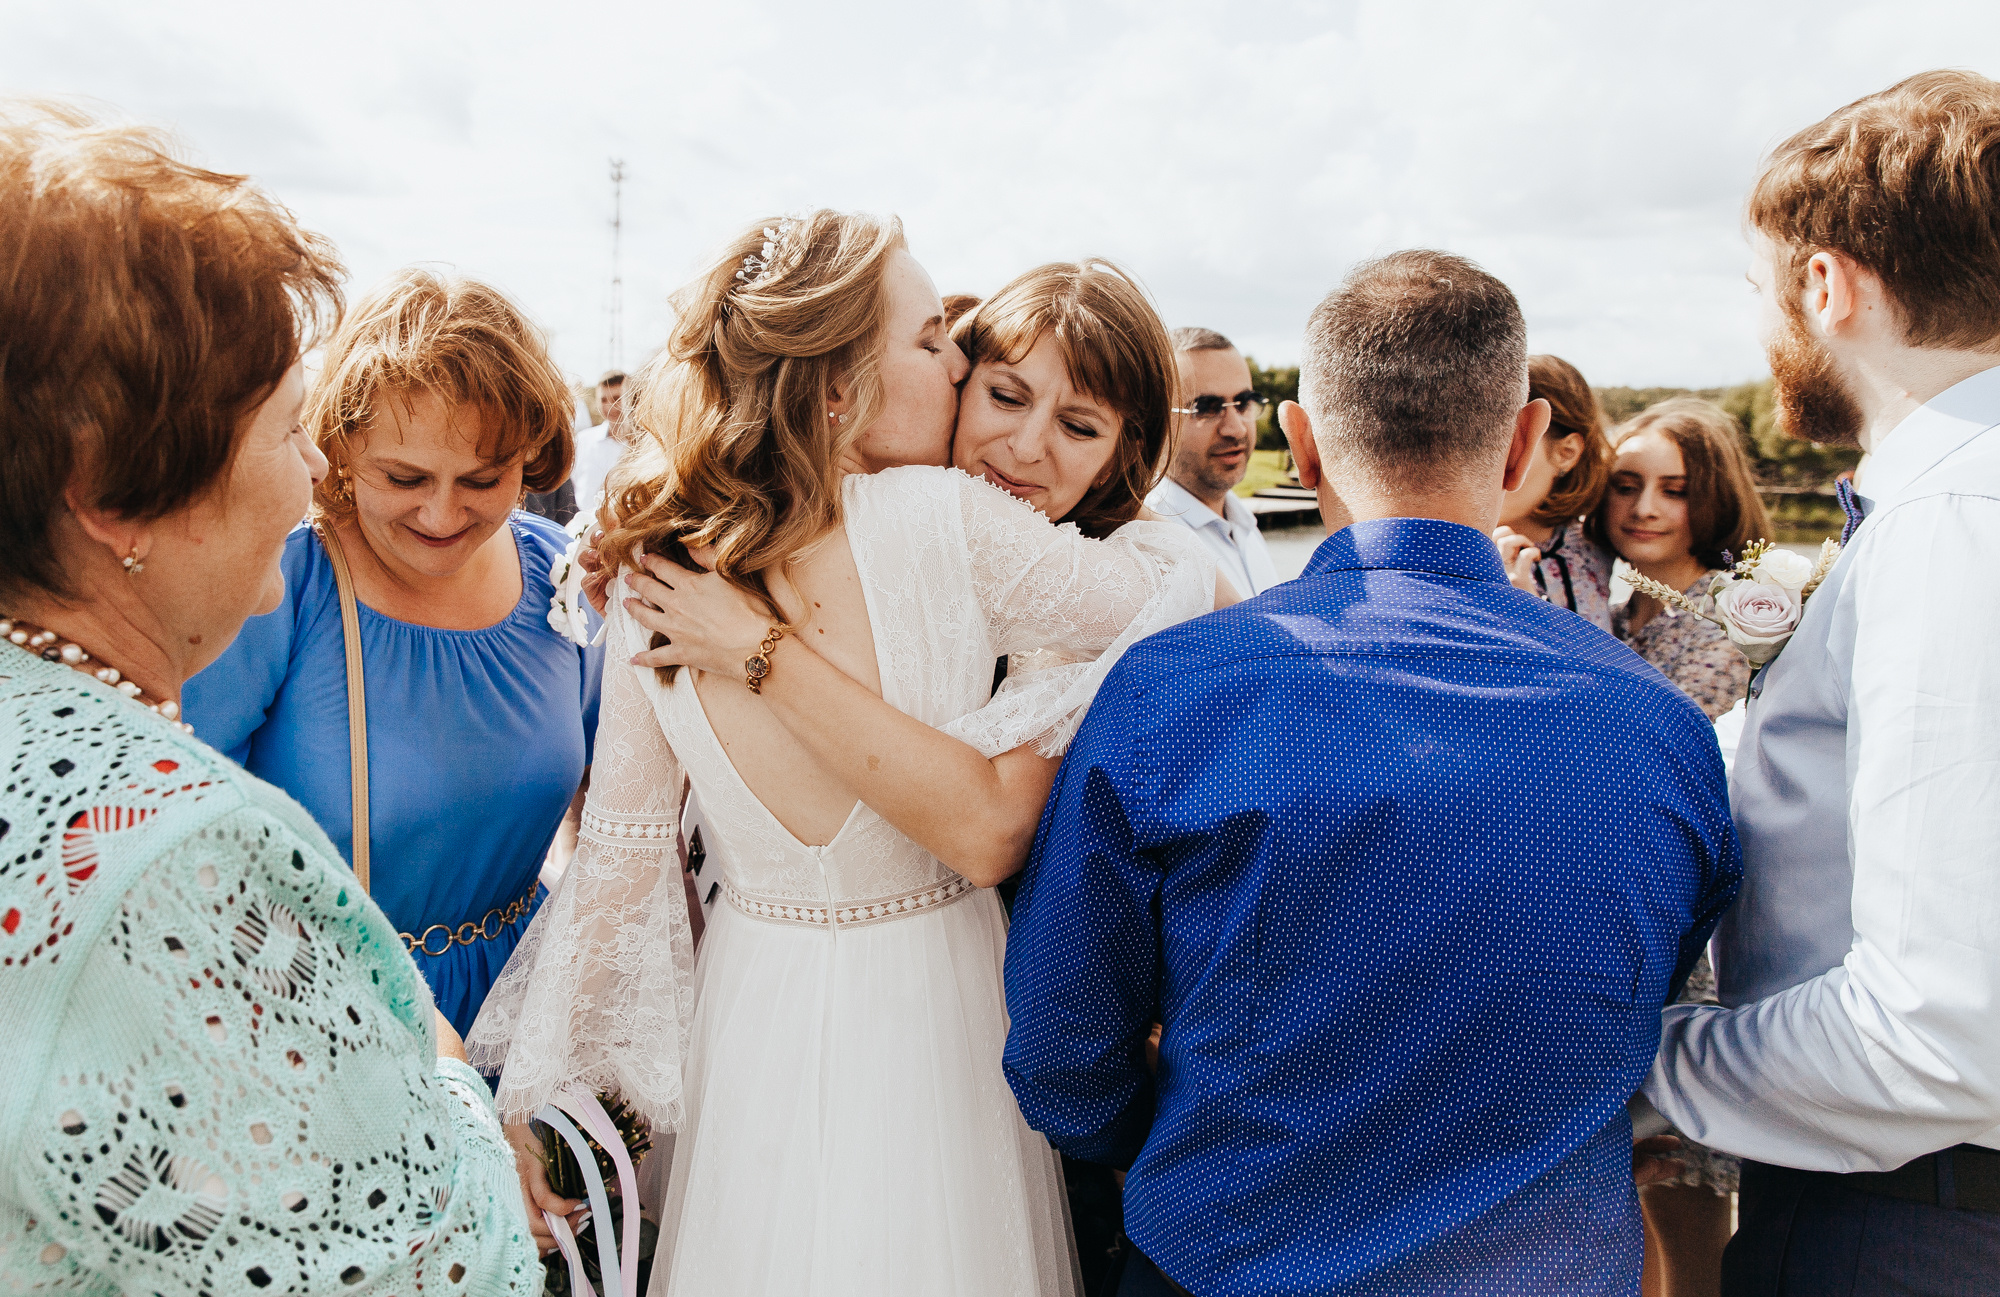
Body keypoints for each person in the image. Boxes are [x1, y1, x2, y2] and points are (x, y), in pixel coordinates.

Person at [469, 212, 1218, 1297]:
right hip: (934, 997)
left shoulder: (656, 554)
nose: (957, 363)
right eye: (932, 346)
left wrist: (547, 1091)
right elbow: (1175, 594)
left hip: (750, 996)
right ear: (834, 389)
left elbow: (622, 852)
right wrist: (1156, 531)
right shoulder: (947, 519)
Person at [1003, 250, 1741, 1296]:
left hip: (1233, 1260)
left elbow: (1061, 1051)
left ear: (1299, 444)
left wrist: (1163, 1139)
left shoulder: (1172, 691)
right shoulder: (1663, 729)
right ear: (1524, 440)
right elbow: (1651, 982)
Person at [0, 101, 534, 1291]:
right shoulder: (186, 855)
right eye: (291, 426)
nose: (311, 472)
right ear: (111, 492)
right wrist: (445, 1081)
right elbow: (439, 1265)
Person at [1643, 70, 2000, 1293]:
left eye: (1756, 286)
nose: (1758, 322)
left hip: (1919, 1223)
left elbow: (1942, 1030)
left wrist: (1639, 1070)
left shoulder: (1958, 515)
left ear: (1823, 283)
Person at [183, 269, 601, 1046]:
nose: (443, 513)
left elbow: (604, 802)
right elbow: (192, 840)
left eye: (485, 479)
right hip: (326, 1014)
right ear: (336, 445)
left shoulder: (562, 575)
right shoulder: (284, 584)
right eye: (403, 477)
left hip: (528, 1012)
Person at [1598, 399, 1765, 720]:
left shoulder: (1734, 628)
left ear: (1718, 500)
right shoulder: (1604, 616)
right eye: (1626, 487)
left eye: (1674, 491)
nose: (1644, 509)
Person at [1144, 327, 1280, 598]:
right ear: (1153, 420)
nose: (1236, 429)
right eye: (1205, 408)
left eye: (1242, 403)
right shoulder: (1148, 546)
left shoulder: (1245, 526)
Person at [1493, 354, 1617, 630]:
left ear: (1566, 452)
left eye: (1502, 446)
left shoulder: (1602, 542)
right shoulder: (1451, 552)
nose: (1480, 467)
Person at [569, 369, 631, 518]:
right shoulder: (583, 441)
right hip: (582, 527)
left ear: (629, 399)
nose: (610, 406)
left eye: (617, 399)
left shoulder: (641, 445)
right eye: (604, 400)